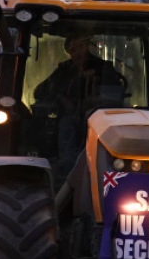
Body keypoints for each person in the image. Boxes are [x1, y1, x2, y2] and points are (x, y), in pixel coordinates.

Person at [33, 32, 125, 181]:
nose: (77, 52)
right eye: (73, 49)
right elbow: (39, 91)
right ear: (68, 52)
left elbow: (116, 97)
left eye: (80, 47)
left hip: (101, 120)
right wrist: (60, 97)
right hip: (70, 119)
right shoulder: (63, 70)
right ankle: (67, 174)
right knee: (66, 124)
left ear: (87, 47)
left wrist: (95, 100)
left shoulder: (104, 68)